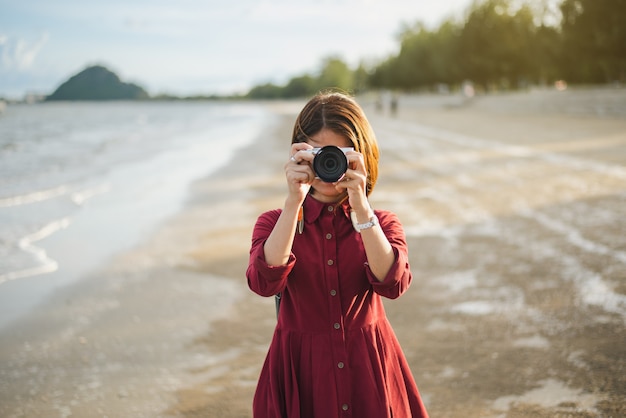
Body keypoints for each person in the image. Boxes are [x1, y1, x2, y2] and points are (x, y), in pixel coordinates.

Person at [246, 91, 429, 418]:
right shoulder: (274, 223)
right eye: (319, 154)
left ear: (361, 156)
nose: (329, 166)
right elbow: (263, 282)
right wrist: (293, 203)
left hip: (368, 368)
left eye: (339, 155)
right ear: (299, 155)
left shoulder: (382, 223)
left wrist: (361, 208)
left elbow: (394, 284)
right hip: (300, 371)